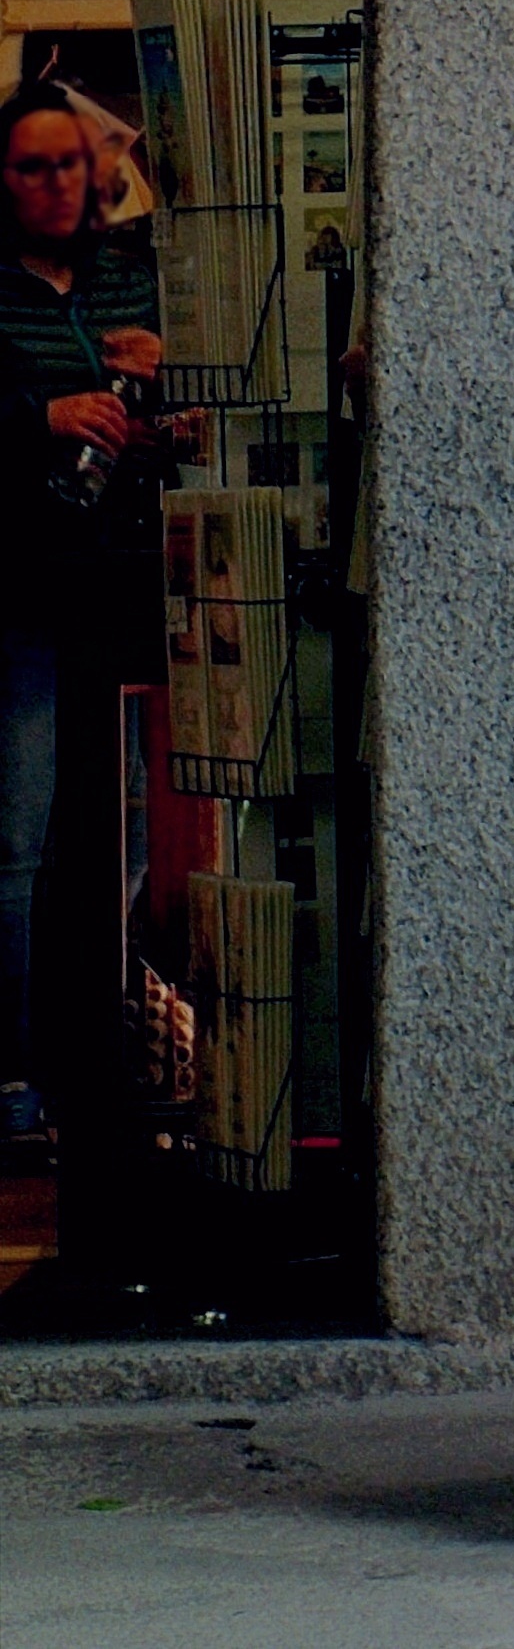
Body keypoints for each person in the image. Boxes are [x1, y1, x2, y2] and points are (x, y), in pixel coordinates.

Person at [0, 79, 165, 1151]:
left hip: (118, 583)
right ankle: (12, 1068)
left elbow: (161, 422)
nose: (58, 183)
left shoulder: (123, 274)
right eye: (32, 166)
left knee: (122, 834)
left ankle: (92, 1059)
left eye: (72, 163)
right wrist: (39, 412)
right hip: (15, 593)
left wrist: (163, 388)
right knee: (19, 835)